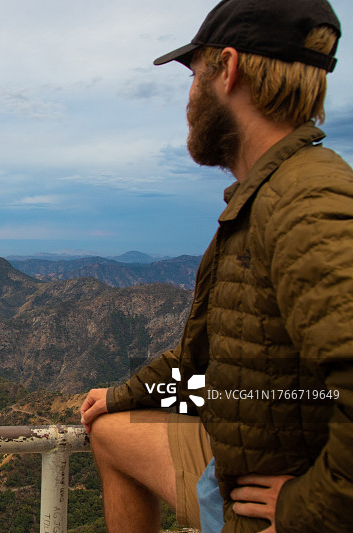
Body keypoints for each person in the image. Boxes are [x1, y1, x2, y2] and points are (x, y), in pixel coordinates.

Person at [79, 1, 353, 532]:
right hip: (232, 469)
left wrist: (308, 509)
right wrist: (119, 395)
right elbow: (206, 355)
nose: (189, 96)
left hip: (269, 503)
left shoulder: (306, 201)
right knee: (110, 432)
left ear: (228, 69)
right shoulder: (267, 195)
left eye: (193, 73)